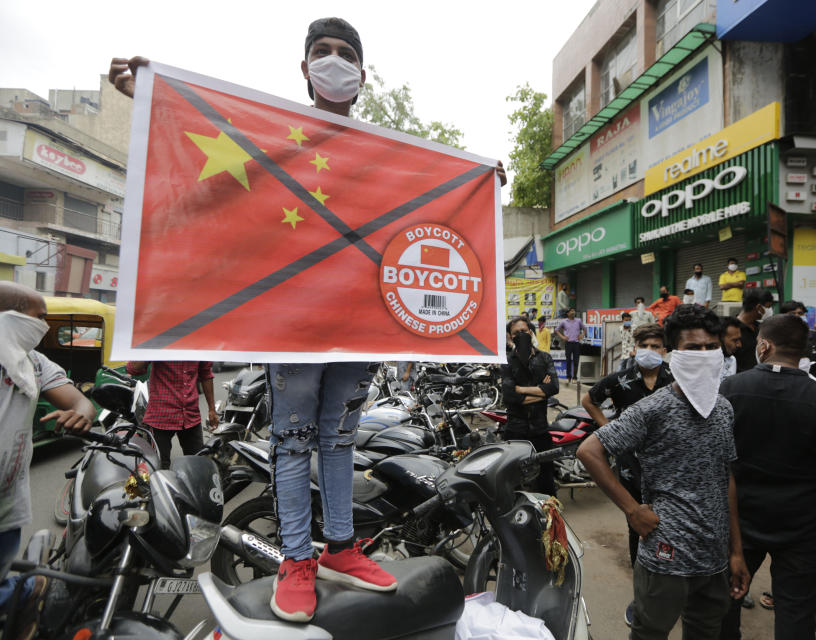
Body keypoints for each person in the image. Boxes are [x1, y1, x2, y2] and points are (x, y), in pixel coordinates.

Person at [109, 17, 509, 621]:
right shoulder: (272, 141)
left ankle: (342, 548)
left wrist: (479, 184)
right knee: (294, 443)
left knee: (341, 439)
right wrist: (154, 106)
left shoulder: (384, 156)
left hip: (360, 323)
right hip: (290, 321)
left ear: (362, 74)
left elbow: (428, 209)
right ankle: (297, 558)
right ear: (303, 68)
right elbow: (205, 169)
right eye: (321, 51)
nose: (333, 61)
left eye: (345, 53)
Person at [576, 305, 750, 640]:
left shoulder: (724, 408)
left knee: (706, 631)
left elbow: (724, 476)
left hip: (714, 556)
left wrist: (736, 551)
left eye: (711, 347)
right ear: (674, 354)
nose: (704, 355)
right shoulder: (653, 409)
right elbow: (589, 451)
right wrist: (632, 510)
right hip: (666, 555)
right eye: (692, 348)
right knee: (650, 633)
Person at [718, 314, 816, 640]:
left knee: (727, 600)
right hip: (805, 526)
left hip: (738, 522)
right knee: (796, 612)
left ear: (764, 345)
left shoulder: (729, 389)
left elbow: (713, 463)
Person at [0, 282, 96, 639]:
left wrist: (83, 414)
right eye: (39, 319)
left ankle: (25, 594)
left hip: (7, 505)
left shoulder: (34, 364)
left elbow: (78, 401)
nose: (44, 328)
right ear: (9, 317)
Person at [581, 322, 673, 628]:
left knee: (670, 523)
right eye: (645, 345)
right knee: (638, 523)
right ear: (635, 348)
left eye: (657, 346)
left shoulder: (674, 379)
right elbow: (589, 400)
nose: (651, 351)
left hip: (668, 463)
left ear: (665, 350)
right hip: (631, 464)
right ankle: (643, 593)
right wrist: (606, 428)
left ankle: (672, 587)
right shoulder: (620, 380)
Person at [501, 318, 559, 495]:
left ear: (531, 332)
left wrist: (521, 390)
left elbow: (553, 387)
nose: (521, 335)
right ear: (510, 337)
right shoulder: (506, 362)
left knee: (546, 480)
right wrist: (541, 392)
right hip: (515, 431)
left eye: (524, 331)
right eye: (516, 333)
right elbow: (510, 396)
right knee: (512, 481)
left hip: (540, 430)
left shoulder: (545, 358)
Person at [125, 360, 218, 469]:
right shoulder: (160, 344)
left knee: (197, 465)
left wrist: (212, 409)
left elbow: (206, 374)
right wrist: (154, 347)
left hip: (190, 414)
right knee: (159, 467)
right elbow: (133, 368)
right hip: (161, 415)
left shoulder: (198, 346)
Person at [734, 289, 773, 373]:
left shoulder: (761, 328)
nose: (770, 311)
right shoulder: (732, 329)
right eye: (768, 307)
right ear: (759, 307)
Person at [557, 307, 586, 383]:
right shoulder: (564, 322)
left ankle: (575, 378)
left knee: (576, 361)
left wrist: (582, 335)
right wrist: (563, 337)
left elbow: (585, 329)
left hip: (576, 343)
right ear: (567, 313)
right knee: (568, 360)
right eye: (571, 311)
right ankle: (568, 377)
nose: (573, 312)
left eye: (573, 311)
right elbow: (556, 330)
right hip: (568, 343)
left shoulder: (578, 320)